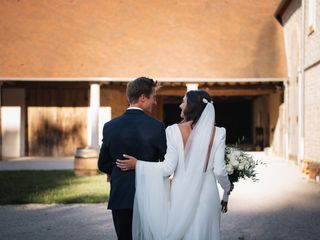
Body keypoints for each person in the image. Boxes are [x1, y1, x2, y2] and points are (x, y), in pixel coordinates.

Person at [117, 90, 232, 240]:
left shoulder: (172, 130)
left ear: (191, 107)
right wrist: (227, 188)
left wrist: (138, 165)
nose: (180, 105)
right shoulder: (219, 133)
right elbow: (220, 170)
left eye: (183, 101)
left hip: (181, 192)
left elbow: (167, 168)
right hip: (208, 193)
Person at [98, 77, 167, 240]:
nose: (155, 102)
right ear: (143, 97)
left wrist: (113, 170)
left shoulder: (110, 126)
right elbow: (166, 163)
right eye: (153, 97)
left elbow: (102, 163)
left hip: (120, 196)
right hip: (149, 197)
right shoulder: (156, 126)